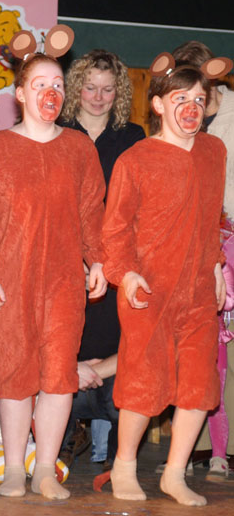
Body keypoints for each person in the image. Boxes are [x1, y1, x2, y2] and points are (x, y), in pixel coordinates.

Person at [0, 39, 107, 500]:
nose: (52, 92)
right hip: (9, 283)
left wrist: (98, 258)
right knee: (13, 375)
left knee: (58, 375)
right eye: (40, 84)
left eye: (58, 84)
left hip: (63, 283)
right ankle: (13, 468)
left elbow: (92, 211)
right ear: (20, 94)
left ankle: (45, 468)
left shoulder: (79, 148)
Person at [102, 53, 228, 507]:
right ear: (158, 105)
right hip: (148, 289)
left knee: (199, 384)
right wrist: (126, 274)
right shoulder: (136, 159)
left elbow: (210, 217)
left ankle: (175, 474)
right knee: (142, 380)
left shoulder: (214, 151)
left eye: (198, 99)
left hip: (198, 289)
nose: (191, 107)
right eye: (180, 98)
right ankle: (124, 467)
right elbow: (115, 230)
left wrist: (216, 266)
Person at [58, 49, 145, 469]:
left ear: (119, 93)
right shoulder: (57, 131)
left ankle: (115, 452)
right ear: (76, 88)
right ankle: (56, 443)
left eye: (107, 90)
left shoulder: (133, 137)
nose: (97, 97)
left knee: (115, 333)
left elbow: (139, 207)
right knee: (62, 333)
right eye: (90, 87)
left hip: (115, 257)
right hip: (62, 252)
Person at [173, 40, 234, 482]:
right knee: (196, 346)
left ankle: (226, 450)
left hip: (232, 238)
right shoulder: (176, 118)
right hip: (193, 245)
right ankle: (194, 447)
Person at [0, 352, 70, 484]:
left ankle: (24, 467)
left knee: (60, 471)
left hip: (22, 443)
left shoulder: (33, 371)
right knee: (0, 471)